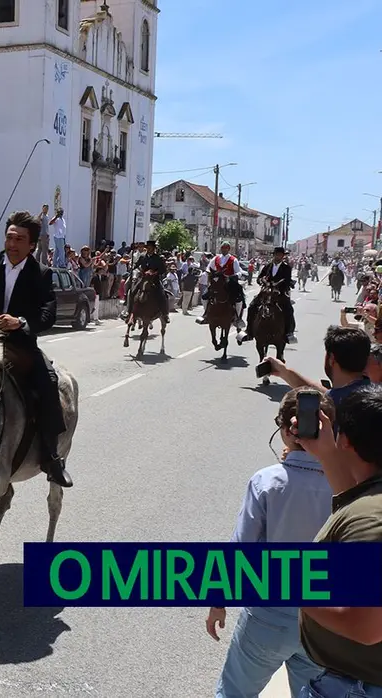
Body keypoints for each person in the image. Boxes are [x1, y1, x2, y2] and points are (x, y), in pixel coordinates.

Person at [206, 388, 333, 698]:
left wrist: (218, 602)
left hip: (268, 616)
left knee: (234, 692)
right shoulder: (345, 484)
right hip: (325, 622)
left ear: (284, 429)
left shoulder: (266, 481)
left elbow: (241, 549)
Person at [0, 210, 73, 488]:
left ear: (31, 244)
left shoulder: (41, 274)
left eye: (19, 239)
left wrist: (19, 322)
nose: (12, 244)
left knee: (49, 383)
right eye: (9, 237)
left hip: (20, 344)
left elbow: (48, 315)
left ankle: (51, 456)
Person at [292, 385, 382, 697]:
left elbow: (367, 626)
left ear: (346, 440)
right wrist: (326, 452)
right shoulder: (370, 504)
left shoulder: (372, 519)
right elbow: (355, 505)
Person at [241, 246, 296, 345]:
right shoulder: (267, 266)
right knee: (252, 306)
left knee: (289, 310)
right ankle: (249, 331)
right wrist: (262, 280)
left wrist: (278, 285)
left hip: (280, 292)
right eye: (276, 255)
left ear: (282, 256)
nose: (278, 256)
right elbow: (259, 277)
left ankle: (289, 333)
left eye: (280, 255)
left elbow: (287, 280)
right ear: (274, 255)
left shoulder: (286, 267)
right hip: (266, 291)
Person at [199, 242, 246, 328]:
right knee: (204, 297)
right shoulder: (216, 258)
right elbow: (208, 269)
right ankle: (206, 314)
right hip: (217, 283)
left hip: (230, 284)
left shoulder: (233, 259)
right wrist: (208, 275)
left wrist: (232, 276)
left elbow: (239, 272)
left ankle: (237, 318)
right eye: (223, 248)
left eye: (226, 248)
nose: (224, 249)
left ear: (229, 249)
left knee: (239, 300)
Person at [127, 239, 169, 323]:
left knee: (162, 294)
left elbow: (163, 270)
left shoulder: (158, 258)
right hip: (143, 278)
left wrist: (155, 272)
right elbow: (137, 265)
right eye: (148, 248)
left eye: (151, 248)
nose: (150, 249)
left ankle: (165, 314)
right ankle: (129, 312)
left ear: (154, 249)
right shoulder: (143, 257)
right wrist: (132, 268)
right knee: (132, 292)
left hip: (155, 279)